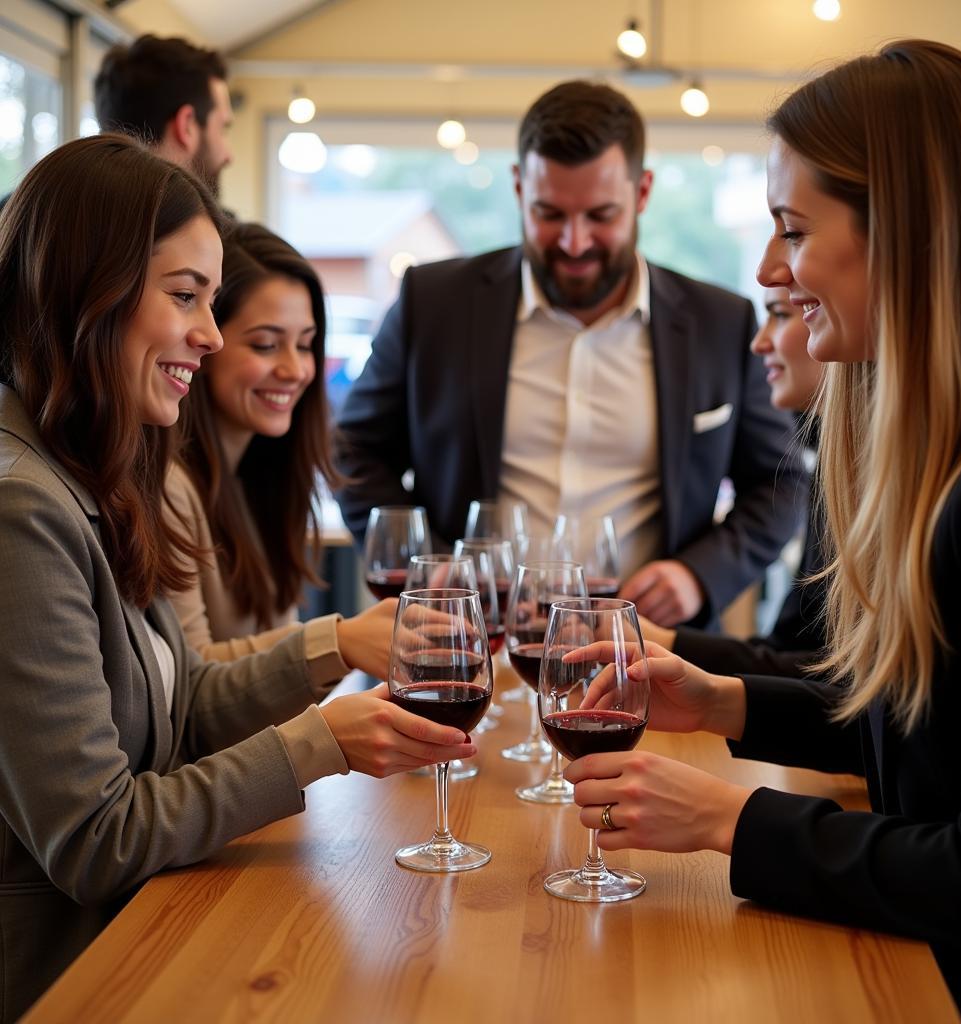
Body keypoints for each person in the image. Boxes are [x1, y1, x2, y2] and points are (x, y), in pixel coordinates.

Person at [562, 40, 961, 1020]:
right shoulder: (943, 456)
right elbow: (912, 728)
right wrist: (721, 699)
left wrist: (731, 818)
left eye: (791, 229)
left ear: (901, 230)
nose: (770, 269)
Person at [0, 136, 475, 1021]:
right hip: (70, 978)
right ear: (84, 292)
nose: (209, 336)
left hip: (146, 935)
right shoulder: (22, 510)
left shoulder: (93, 473)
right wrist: (319, 743)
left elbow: (180, 716)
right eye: (186, 297)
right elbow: (95, 840)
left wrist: (331, 665)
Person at [337, 80, 805, 629]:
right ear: (518, 188)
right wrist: (433, 567)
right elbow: (354, 452)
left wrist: (699, 575)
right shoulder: (433, 303)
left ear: (643, 192)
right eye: (550, 214)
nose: (575, 242)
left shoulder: (719, 323)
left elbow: (780, 483)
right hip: (464, 648)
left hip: (645, 656)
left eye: (601, 216)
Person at [164, 223, 398, 667]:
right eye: (267, 345)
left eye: (306, 345)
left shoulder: (264, 476)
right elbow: (189, 678)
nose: (296, 370)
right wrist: (338, 640)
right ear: (206, 342)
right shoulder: (169, 487)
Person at [643, 287, 827, 677]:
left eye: (780, 313)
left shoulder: (721, 318)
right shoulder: (835, 470)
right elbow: (801, 655)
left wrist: (697, 578)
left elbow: (833, 681)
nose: (759, 344)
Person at [94, 34, 233, 196]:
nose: (229, 156)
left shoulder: (73, 212)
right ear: (186, 125)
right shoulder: (206, 221)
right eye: (223, 128)